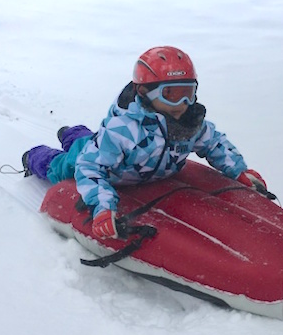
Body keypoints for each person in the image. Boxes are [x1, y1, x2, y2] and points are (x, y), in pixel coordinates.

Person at [22, 46, 267, 240]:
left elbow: (215, 143)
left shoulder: (189, 124)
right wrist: (103, 208)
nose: (182, 102)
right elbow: (90, 168)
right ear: (144, 93)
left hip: (115, 153)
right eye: (170, 94)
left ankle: (71, 132)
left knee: (90, 141)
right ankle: (35, 155)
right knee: (66, 165)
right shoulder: (123, 131)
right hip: (106, 167)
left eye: (188, 92)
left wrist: (239, 171)